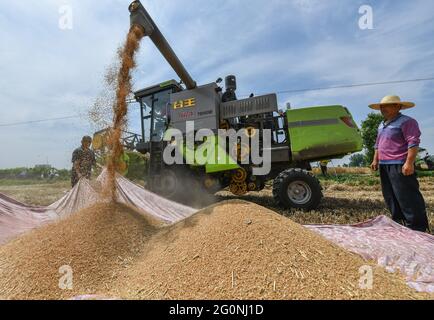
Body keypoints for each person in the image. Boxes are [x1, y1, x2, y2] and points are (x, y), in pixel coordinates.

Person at [369, 95, 429, 232]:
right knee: (390, 195)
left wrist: (409, 163)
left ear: (398, 106)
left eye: (386, 106)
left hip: (399, 164)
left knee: (407, 196)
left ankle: (417, 227)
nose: (382, 109)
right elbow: (377, 145)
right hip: (384, 165)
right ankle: (399, 223)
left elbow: (413, 143)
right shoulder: (382, 124)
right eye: (381, 107)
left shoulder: (407, 122)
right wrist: (375, 159)